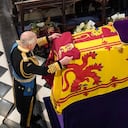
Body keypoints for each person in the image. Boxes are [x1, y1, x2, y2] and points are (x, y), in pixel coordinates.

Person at [10, 31, 73, 128]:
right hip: (25, 89)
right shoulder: (25, 63)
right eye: (35, 43)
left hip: (24, 83)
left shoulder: (18, 44)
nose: (36, 43)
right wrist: (61, 63)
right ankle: (26, 124)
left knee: (31, 104)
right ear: (30, 46)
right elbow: (44, 70)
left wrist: (49, 38)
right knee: (26, 108)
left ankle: (31, 117)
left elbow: (32, 42)